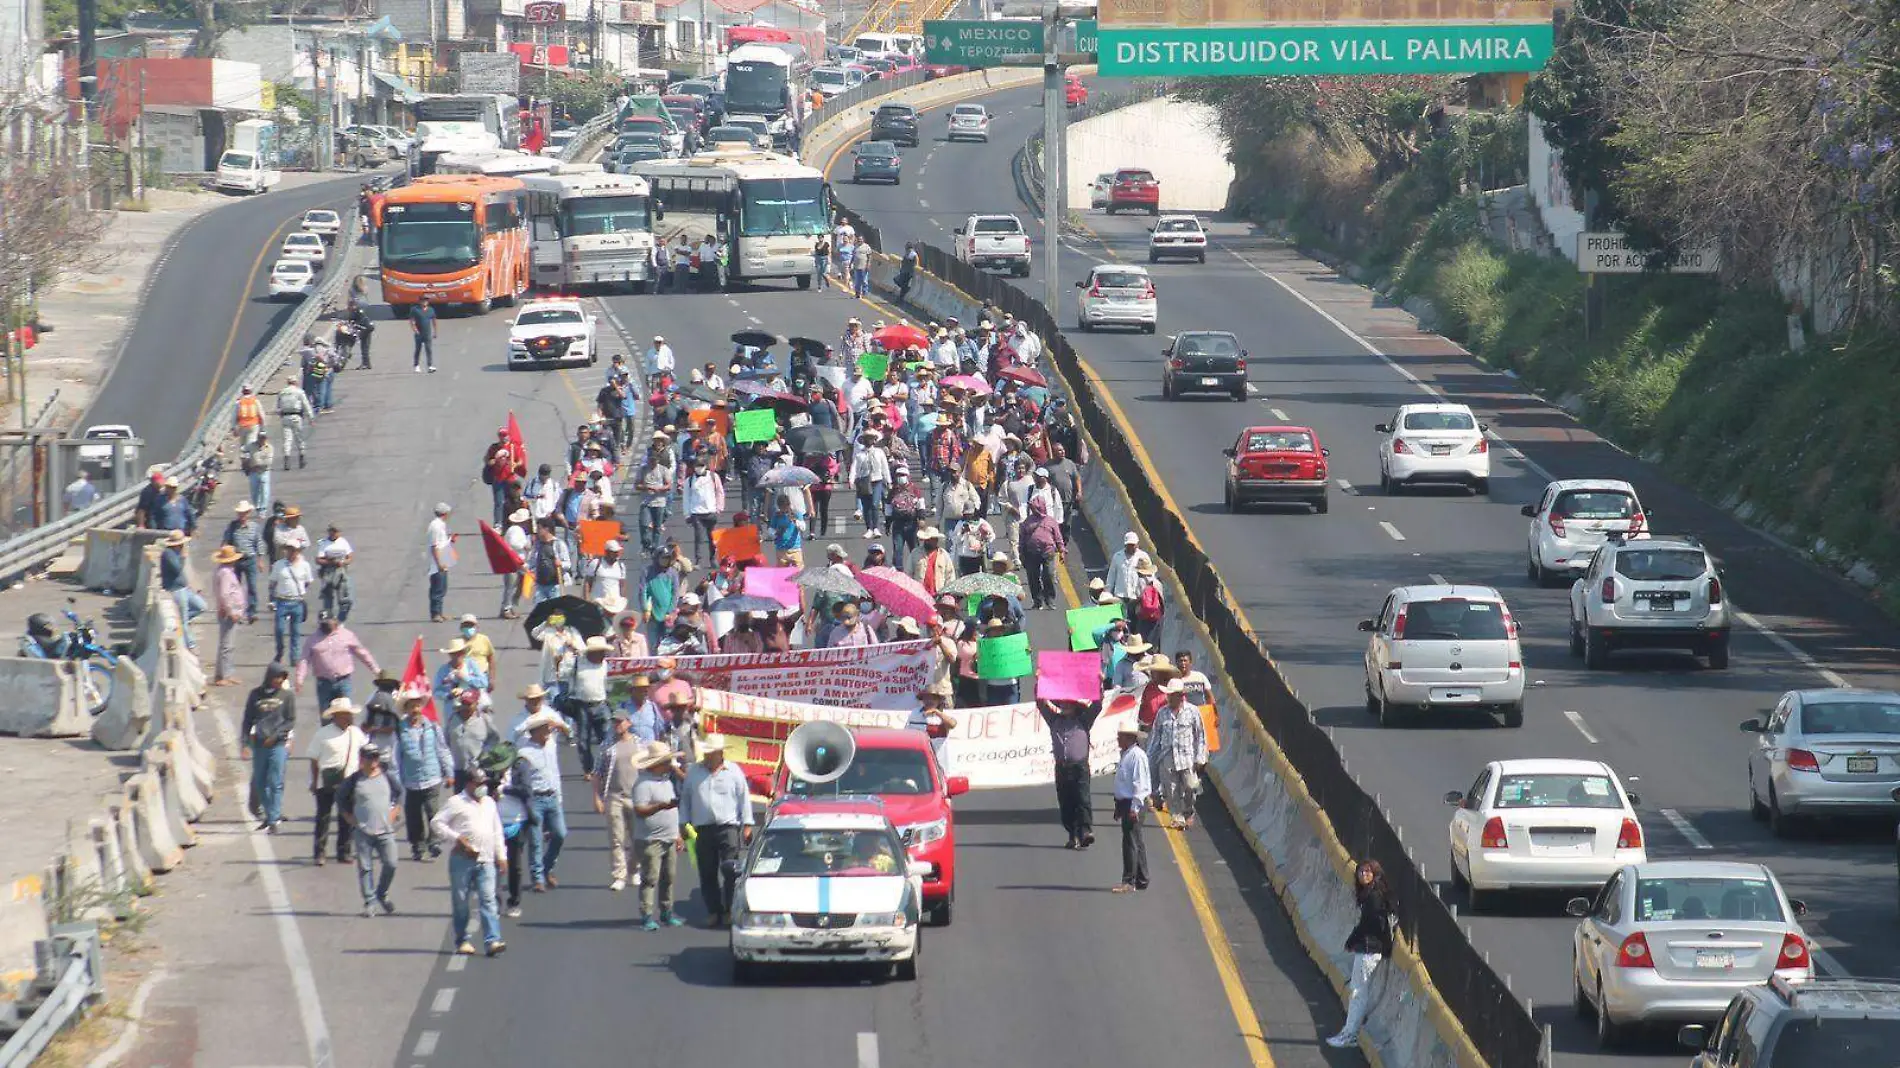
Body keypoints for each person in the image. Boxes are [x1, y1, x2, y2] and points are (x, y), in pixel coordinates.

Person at [432, 766, 509, 957]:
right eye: (478, 783)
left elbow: (496, 830)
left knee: (488, 899)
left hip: (486, 860)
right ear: (468, 783)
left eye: (484, 783)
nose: (482, 787)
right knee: (461, 902)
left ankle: (492, 940)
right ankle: (462, 940)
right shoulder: (456, 802)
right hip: (462, 860)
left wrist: (502, 856)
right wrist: (456, 838)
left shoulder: (489, 803)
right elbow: (437, 823)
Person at [680, 733, 751, 927]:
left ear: (720, 753)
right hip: (703, 828)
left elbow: (744, 798)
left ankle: (729, 909)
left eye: (712, 753)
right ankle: (713, 910)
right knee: (707, 871)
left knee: (730, 870)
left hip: (729, 826)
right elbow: (685, 799)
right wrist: (683, 823)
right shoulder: (694, 772)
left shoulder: (734, 771)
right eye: (707, 752)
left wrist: (748, 824)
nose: (708, 756)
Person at [1328, 860, 1394, 1048]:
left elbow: (1368, 923)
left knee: (1357, 993)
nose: (1363, 875)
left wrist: (1352, 940)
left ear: (1375, 874)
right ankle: (1349, 1032)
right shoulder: (1374, 894)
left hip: (1369, 950)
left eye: (1368, 872)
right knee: (1358, 991)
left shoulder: (1374, 897)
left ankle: (1350, 1035)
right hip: (1369, 948)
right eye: (1361, 872)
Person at [339, 743, 403, 916]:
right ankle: (369, 901)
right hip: (363, 831)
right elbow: (340, 800)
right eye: (369, 757)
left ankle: (382, 893)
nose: (374, 760)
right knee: (365, 868)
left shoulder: (388, 777)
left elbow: (399, 794)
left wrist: (395, 811)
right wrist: (349, 818)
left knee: (391, 863)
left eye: (375, 756)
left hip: (385, 831)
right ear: (362, 759)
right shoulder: (354, 780)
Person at [630, 741, 685, 929]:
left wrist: (677, 834)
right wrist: (660, 806)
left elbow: (673, 811)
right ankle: (646, 915)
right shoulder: (643, 784)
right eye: (666, 762)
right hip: (650, 839)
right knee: (650, 877)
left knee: (668, 877)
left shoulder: (667, 781)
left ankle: (666, 912)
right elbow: (639, 810)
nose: (670, 765)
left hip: (669, 837)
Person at [305, 697, 366, 865]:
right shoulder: (323, 734)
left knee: (346, 818)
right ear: (336, 716)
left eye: (349, 714)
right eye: (345, 715)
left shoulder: (356, 733)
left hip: (349, 782)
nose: (349, 718)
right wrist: (314, 782)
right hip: (326, 783)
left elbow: (364, 752)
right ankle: (319, 852)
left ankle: (344, 851)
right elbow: (314, 759)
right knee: (323, 818)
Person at [396, 695, 455, 861]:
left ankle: (434, 842)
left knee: (433, 811)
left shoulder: (432, 728)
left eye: (417, 706)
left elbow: (442, 750)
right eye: (411, 707)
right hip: (411, 780)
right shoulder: (401, 730)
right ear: (406, 710)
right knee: (413, 815)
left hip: (432, 777)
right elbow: (397, 757)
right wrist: (397, 782)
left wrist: (449, 773)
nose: (415, 710)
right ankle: (417, 845)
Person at [592, 710, 645, 892]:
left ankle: (634, 869)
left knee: (638, 838)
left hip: (636, 796)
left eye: (620, 722)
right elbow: (597, 773)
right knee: (616, 839)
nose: (617, 725)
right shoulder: (607, 745)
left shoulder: (639, 744)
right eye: (615, 722)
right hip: (614, 796)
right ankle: (619, 875)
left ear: (629, 723)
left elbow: (648, 767)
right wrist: (597, 797)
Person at [241, 663, 297, 832]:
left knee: (275, 782)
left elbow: (290, 720)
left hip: (277, 744)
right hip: (259, 744)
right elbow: (248, 719)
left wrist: (277, 736)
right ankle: (269, 813)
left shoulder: (287, 696)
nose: (279, 681)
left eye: (282, 677)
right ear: (269, 677)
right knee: (259, 782)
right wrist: (244, 743)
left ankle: (273, 818)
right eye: (276, 677)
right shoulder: (255, 695)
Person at [1039, 697, 1101, 849]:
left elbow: (1097, 705)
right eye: (1062, 704)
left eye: (1068, 703)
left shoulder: (1083, 721)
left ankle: (1086, 831)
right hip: (1062, 767)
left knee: (1082, 798)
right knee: (1066, 802)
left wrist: (1099, 683)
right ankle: (1072, 834)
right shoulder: (1054, 720)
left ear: (1075, 706)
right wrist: (1039, 683)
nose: (1065, 706)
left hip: (1079, 767)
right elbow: (1040, 704)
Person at [1148, 680, 1208, 830]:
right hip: (1167, 758)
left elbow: (1201, 735)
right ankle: (1177, 817)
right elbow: (1156, 737)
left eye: (1172, 695)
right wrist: (1150, 757)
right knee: (1171, 790)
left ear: (1180, 696)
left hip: (1187, 758)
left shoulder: (1193, 711)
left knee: (1191, 787)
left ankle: (1188, 811)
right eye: (1168, 695)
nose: (1168, 698)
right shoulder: (1162, 713)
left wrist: (1200, 757)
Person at [517, 712, 567, 891]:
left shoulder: (551, 745)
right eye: (544, 729)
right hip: (535, 799)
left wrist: (557, 725)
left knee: (560, 834)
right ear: (535, 732)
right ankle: (538, 877)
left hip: (553, 796)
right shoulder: (524, 753)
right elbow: (520, 779)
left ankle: (547, 867)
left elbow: (566, 730)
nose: (548, 732)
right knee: (536, 840)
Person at [296, 610, 379, 710]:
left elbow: (362, 653)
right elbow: (304, 660)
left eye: (327, 623)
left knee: (345, 713)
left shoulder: (346, 635)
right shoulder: (312, 640)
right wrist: (299, 679)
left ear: (334, 621)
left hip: (343, 681)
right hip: (323, 683)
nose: (324, 626)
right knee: (326, 716)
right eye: (322, 624)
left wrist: (376, 670)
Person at [1111, 723, 1151, 892]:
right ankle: (1142, 878)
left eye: (1120, 736)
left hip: (1133, 803)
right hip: (1126, 802)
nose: (1117, 739)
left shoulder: (1137, 756)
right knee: (1136, 840)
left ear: (1129, 738)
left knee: (1130, 842)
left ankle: (1129, 881)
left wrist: (1134, 808)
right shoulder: (1127, 755)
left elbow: (1140, 785)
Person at [570, 635, 614, 772]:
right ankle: (588, 769)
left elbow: (611, 684)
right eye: (599, 652)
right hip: (582, 705)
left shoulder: (606, 664)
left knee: (607, 738)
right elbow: (565, 675)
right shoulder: (578, 662)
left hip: (601, 704)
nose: (602, 654)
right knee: (583, 741)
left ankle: (606, 767)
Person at [268, 542, 314, 667]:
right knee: (279, 630)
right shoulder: (279, 565)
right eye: (289, 550)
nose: (291, 552)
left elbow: (308, 582)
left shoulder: (305, 565)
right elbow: (272, 583)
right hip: (282, 601)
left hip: (297, 602)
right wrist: (272, 600)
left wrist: (299, 591)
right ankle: (280, 652)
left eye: (294, 550)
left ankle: (295, 657)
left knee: (296, 632)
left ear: (298, 551)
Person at [159, 530, 206, 650]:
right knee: (183, 620)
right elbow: (177, 569)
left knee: (201, 607)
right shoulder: (168, 554)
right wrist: (183, 557)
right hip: (176, 590)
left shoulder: (175, 553)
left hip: (184, 588)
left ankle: (179, 624)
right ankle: (190, 644)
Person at [211, 545, 248, 685]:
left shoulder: (222, 571)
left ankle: (223, 673)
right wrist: (231, 611)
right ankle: (224, 675)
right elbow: (225, 594)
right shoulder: (226, 573)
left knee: (225, 645)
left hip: (227, 611)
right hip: (229, 612)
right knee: (227, 645)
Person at [444, 687, 501, 776]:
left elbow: (494, 739)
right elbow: (445, 743)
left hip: (478, 770)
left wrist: (483, 756)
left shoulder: (484, 719)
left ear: (476, 704)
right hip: (458, 770)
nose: (465, 707)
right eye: (464, 703)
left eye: (469, 704)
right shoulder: (452, 719)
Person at [483, 427, 527, 527]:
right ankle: (498, 523)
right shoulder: (494, 448)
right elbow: (487, 460)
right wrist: (492, 461)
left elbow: (520, 460)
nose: (504, 437)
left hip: (510, 479)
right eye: (502, 435)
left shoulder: (513, 447)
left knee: (513, 501)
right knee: (499, 502)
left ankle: (513, 520)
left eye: (505, 435)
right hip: (498, 479)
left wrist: (515, 464)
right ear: (499, 436)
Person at [1105, 532, 1152, 623]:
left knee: (1135, 623)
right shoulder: (1117, 557)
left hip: (1136, 598)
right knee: (1119, 623)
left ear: (1137, 544)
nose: (1131, 547)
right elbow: (1111, 576)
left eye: (1133, 545)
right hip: (1120, 597)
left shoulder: (1143, 557)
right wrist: (1107, 594)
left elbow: (1150, 577)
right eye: (1129, 545)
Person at [313, 522, 355, 621]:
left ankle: (341, 620)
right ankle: (328, 620)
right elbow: (318, 560)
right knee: (328, 598)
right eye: (332, 531)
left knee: (344, 598)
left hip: (341, 572)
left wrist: (344, 562)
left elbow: (350, 557)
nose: (334, 534)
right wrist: (330, 562)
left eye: (336, 532)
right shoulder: (324, 543)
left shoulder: (343, 542)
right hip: (328, 573)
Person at [426, 501, 456, 622]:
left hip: (443, 560)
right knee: (437, 589)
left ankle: (440, 612)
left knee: (442, 588)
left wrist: (450, 540)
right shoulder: (436, 526)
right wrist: (439, 564)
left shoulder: (440, 525)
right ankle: (435, 614)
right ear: (444, 513)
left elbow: (441, 543)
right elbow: (434, 546)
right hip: (437, 564)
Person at [277, 373, 313, 469]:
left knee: (287, 439)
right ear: (295, 382)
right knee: (299, 438)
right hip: (296, 416)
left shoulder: (282, 392)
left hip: (285, 417)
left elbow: (278, 407)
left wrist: (280, 415)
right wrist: (311, 417)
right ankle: (302, 458)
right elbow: (306, 404)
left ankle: (287, 460)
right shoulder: (299, 392)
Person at [411, 294, 437, 372]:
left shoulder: (431, 310)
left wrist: (435, 331)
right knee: (418, 349)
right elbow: (412, 321)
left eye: (426, 301)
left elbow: (434, 321)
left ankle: (430, 365)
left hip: (427, 333)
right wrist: (415, 330)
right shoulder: (415, 310)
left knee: (428, 349)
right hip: (419, 333)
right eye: (423, 301)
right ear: (420, 301)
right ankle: (416, 365)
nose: (425, 302)